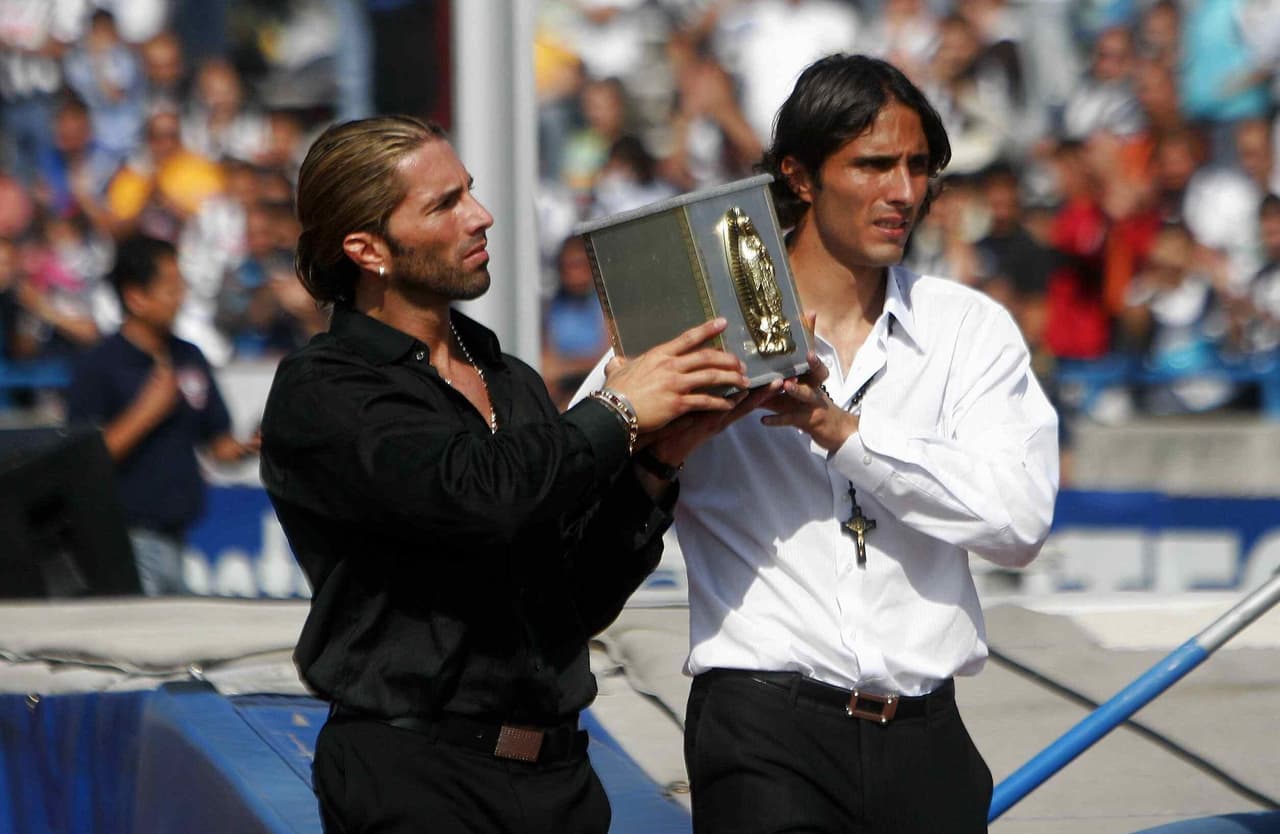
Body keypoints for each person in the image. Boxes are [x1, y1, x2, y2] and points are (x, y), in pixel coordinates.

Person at [581, 54, 1059, 833]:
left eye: (917, 167)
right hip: (761, 728)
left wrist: (843, 434)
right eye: (873, 166)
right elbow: (573, 491)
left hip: (928, 737)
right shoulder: (695, 324)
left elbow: (1019, 522)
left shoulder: (967, 329)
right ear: (800, 178)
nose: (903, 192)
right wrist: (652, 431)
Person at [258, 115, 769, 834]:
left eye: (469, 191)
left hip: (559, 780)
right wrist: (618, 411)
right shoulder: (327, 390)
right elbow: (479, 494)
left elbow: (571, 599)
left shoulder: (513, 382)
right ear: (366, 248)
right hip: (414, 777)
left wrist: (657, 461)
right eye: (444, 204)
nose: (481, 215)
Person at [65, 235, 255, 595]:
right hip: (126, 541)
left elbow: (218, 445)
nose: (180, 295)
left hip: (180, 538)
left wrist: (251, 446)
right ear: (135, 297)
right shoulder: (99, 365)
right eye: (170, 287)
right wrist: (146, 412)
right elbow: (83, 462)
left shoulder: (190, 357)